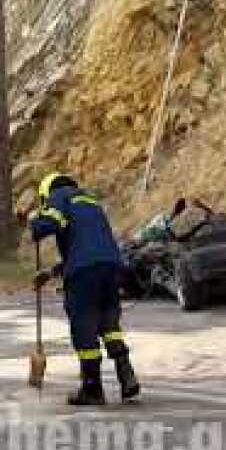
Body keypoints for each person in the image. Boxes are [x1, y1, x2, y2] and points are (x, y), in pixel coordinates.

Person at [23, 173, 141, 406]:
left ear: (46, 193)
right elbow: (88, 247)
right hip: (110, 266)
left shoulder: (59, 196)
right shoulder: (90, 201)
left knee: (84, 327)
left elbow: (49, 223)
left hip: (84, 273)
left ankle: (92, 389)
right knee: (109, 324)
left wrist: (34, 221)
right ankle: (126, 375)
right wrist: (50, 273)